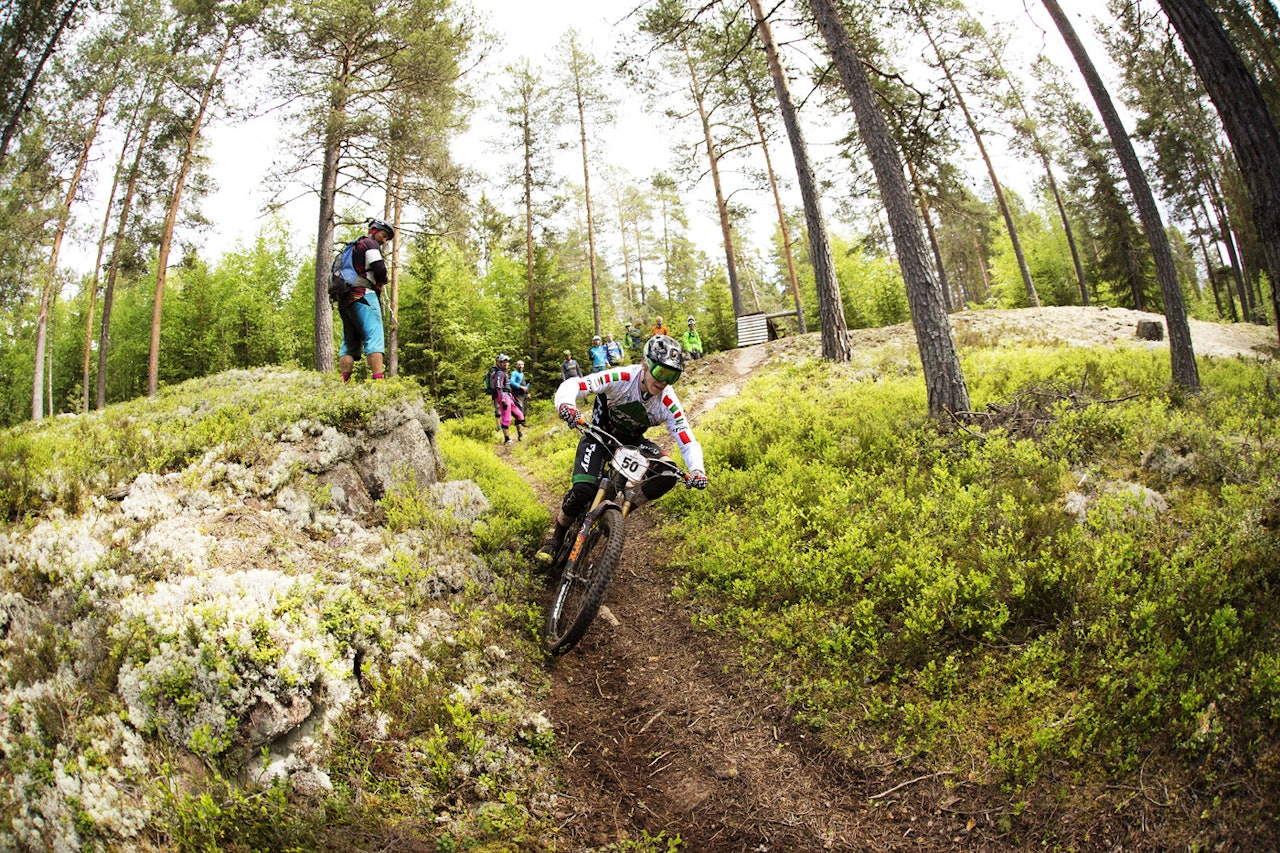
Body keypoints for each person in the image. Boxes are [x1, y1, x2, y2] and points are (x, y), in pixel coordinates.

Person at [536, 334, 709, 562]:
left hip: (632, 442)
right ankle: (556, 536)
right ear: (645, 365)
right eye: (660, 372)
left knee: (668, 474)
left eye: (672, 376)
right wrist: (567, 405)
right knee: (583, 491)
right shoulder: (622, 376)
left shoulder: (668, 401)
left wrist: (697, 470)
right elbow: (576, 384)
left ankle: (618, 511)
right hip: (598, 434)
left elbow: (686, 440)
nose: (663, 381)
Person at [337, 219, 394, 382]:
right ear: (374, 231)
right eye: (384, 235)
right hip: (363, 295)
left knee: (349, 342)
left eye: (387, 238)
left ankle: (344, 384)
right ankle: (378, 383)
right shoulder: (370, 244)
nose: (384, 240)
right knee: (374, 335)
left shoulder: (353, 247)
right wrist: (383, 278)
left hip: (345, 300)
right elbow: (379, 268)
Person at [491, 354, 524, 443]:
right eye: (504, 362)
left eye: (507, 362)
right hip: (504, 397)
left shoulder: (505, 372)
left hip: (509, 396)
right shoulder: (499, 373)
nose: (506, 363)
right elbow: (498, 387)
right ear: (500, 363)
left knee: (519, 415)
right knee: (507, 418)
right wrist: (502, 399)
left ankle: (520, 434)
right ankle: (507, 439)